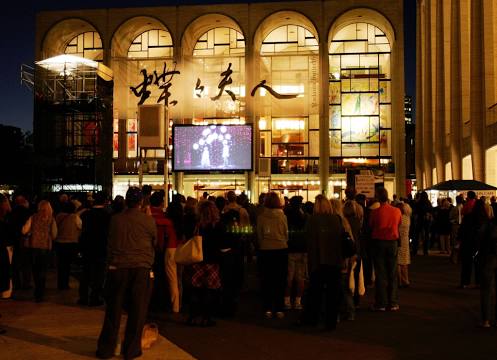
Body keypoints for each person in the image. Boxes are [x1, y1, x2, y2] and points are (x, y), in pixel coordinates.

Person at [96, 187, 157, 360]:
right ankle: (131, 350)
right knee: (137, 311)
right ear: (141, 202)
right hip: (141, 267)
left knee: (113, 310)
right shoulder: (148, 221)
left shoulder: (115, 220)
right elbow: (155, 241)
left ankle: (106, 348)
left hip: (118, 267)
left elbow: (110, 242)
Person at [301, 195, 345, 331]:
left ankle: (313, 319)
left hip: (318, 262)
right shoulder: (336, 219)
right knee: (333, 295)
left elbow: (309, 242)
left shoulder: (312, 220)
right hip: (335, 261)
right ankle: (330, 322)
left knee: (316, 293)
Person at [187, 200, 224, 327]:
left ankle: (193, 316)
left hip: (197, 259)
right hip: (212, 260)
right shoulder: (217, 225)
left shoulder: (196, 224)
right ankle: (206, 317)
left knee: (196, 289)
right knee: (210, 290)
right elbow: (221, 243)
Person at [256, 192, 288, 319]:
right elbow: (286, 234)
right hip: (280, 248)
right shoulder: (282, 217)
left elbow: (259, 234)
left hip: (266, 249)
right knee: (280, 279)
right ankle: (279, 308)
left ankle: (268, 307)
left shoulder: (261, 217)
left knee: (267, 279)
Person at [369, 188, 402, 312]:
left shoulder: (375, 212)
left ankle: (381, 302)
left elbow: (371, 225)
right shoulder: (397, 211)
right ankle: (393, 302)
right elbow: (398, 224)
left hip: (378, 241)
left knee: (380, 273)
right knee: (392, 273)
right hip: (392, 241)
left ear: (377, 198)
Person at [78, 191, 111, 306]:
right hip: (101, 247)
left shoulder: (86, 214)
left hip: (87, 246)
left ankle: (83, 297)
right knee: (99, 274)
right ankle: (95, 297)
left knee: (86, 272)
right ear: (105, 201)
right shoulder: (107, 216)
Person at [149, 192, 180, 314]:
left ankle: (153, 302)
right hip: (168, 249)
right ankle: (174, 305)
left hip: (153, 250)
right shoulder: (166, 219)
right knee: (172, 278)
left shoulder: (148, 215)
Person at [22, 200, 57, 302]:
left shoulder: (33, 217)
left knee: (35, 270)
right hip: (45, 247)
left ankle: (37, 291)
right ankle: (40, 293)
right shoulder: (51, 219)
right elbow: (54, 234)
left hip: (33, 246)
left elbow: (24, 230)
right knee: (43, 270)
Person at [284, 196, 307, 311]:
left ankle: (287, 300)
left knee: (289, 277)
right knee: (300, 277)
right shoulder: (303, 216)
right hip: (302, 248)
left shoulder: (286, 215)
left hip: (290, 248)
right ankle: (298, 301)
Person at [477, 200, 497, 328]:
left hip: (489, 258)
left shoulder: (487, 225)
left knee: (486, 290)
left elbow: (479, 241)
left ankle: (486, 319)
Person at [54, 201, 81, 290]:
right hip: (71, 243)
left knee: (61, 264)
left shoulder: (58, 216)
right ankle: (65, 284)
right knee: (67, 265)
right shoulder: (75, 217)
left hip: (59, 242)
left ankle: (60, 283)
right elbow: (80, 227)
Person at [397, 202, 412, 288]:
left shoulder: (399, 218)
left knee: (398, 262)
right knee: (405, 262)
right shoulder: (408, 218)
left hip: (399, 240)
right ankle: (406, 279)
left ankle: (400, 280)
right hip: (405, 240)